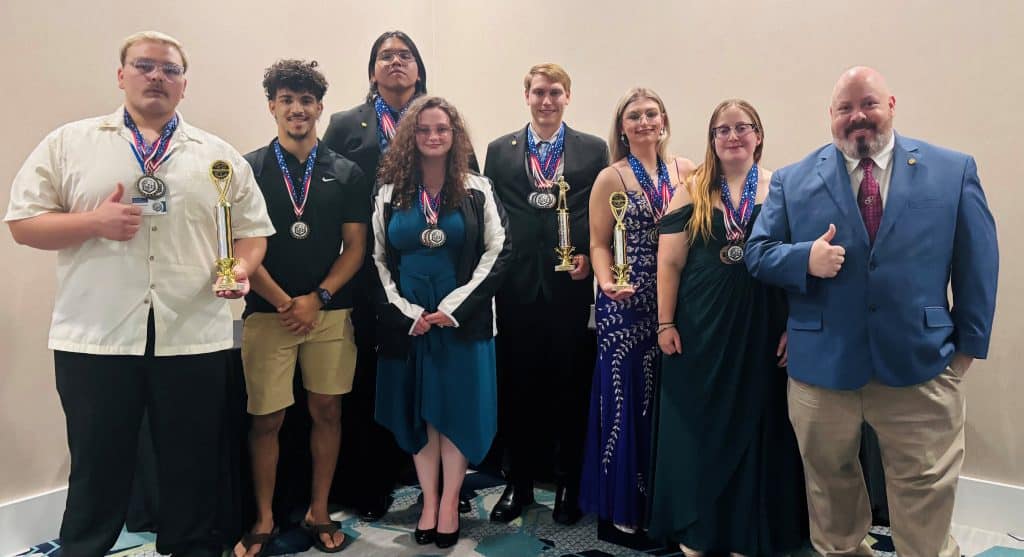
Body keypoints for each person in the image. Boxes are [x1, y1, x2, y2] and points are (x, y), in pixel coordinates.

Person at [5, 31, 274, 557]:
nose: (157, 77)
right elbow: (23, 223)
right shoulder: (70, 144)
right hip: (96, 336)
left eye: (169, 69)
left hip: (193, 333)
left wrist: (240, 269)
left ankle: (192, 545)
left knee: (192, 459)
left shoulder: (217, 156)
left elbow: (252, 230)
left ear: (184, 84)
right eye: (145, 66)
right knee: (97, 461)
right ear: (121, 75)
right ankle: (83, 547)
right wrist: (92, 221)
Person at [746, 67, 998, 557]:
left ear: (891, 105)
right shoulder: (793, 180)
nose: (857, 117)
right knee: (829, 492)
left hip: (921, 366)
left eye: (869, 104)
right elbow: (758, 252)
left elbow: (978, 264)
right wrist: (804, 259)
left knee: (925, 493)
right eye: (845, 109)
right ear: (831, 117)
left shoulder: (952, 170)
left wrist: (965, 353)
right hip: (822, 370)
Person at [321, 30, 475, 520]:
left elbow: (469, 192)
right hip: (369, 268)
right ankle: (373, 479)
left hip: (432, 273)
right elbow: (324, 185)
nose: (395, 63)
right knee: (377, 375)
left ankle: (440, 482)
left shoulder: (439, 120)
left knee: (436, 373)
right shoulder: (348, 123)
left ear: (419, 68)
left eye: (404, 56)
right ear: (372, 70)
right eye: (385, 56)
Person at [647, 99, 808, 556]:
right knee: (700, 425)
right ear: (712, 138)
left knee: (755, 426)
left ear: (758, 135)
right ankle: (700, 527)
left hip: (761, 328)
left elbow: (797, 265)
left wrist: (794, 326)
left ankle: (744, 532)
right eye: (723, 129)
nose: (733, 136)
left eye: (743, 127)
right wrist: (664, 323)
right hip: (700, 328)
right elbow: (670, 263)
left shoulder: (780, 188)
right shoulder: (692, 188)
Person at [234, 59, 369, 556]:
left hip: (329, 313)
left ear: (319, 108)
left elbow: (355, 246)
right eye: (287, 100)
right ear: (272, 106)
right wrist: (285, 301)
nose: (298, 109)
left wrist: (319, 298)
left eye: (307, 100)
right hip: (268, 312)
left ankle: (319, 509)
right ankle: (265, 517)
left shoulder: (346, 171)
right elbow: (240, 242)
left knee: (327, 410)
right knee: (266, 418)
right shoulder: (248, 168)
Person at [371, 96, 510, 549]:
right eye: (424, 130)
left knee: (456, 413)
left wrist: (454, 307)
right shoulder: (390, 193)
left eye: (442, 130)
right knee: (419, 415)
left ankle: (451, 501)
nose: (433, 137)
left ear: (456, 137)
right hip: (410, 323)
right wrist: (404, 312)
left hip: (460, 321)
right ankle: (428, 500)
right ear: (410, 138)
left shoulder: (477, 188)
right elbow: (376, 259)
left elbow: (499, 250)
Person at [484, 63, 609, 525]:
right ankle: (517, 485)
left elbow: (601, 217)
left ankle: (567, 485)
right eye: (539, 92)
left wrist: (589, 262)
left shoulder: (592, 150)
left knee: (568, 388)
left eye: (555, 92)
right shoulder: (500, 151)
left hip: (568, 286)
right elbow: (491, 217)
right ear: (527, 96)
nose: (547, 100)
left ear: (568, 97)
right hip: (515, 289)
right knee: (517, 388)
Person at [579, 88, 693, 543]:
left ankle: (665, 501)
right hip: (625, 304)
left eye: (651, 113)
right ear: (622, 128)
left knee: (669, 402)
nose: (644, 121)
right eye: (634, 116)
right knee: (626, 399)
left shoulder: (688, 170)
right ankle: (624, 505)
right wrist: (605, 282)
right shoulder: (611, 177)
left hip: (675, 303)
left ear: (663, 120)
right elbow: (598, 243)